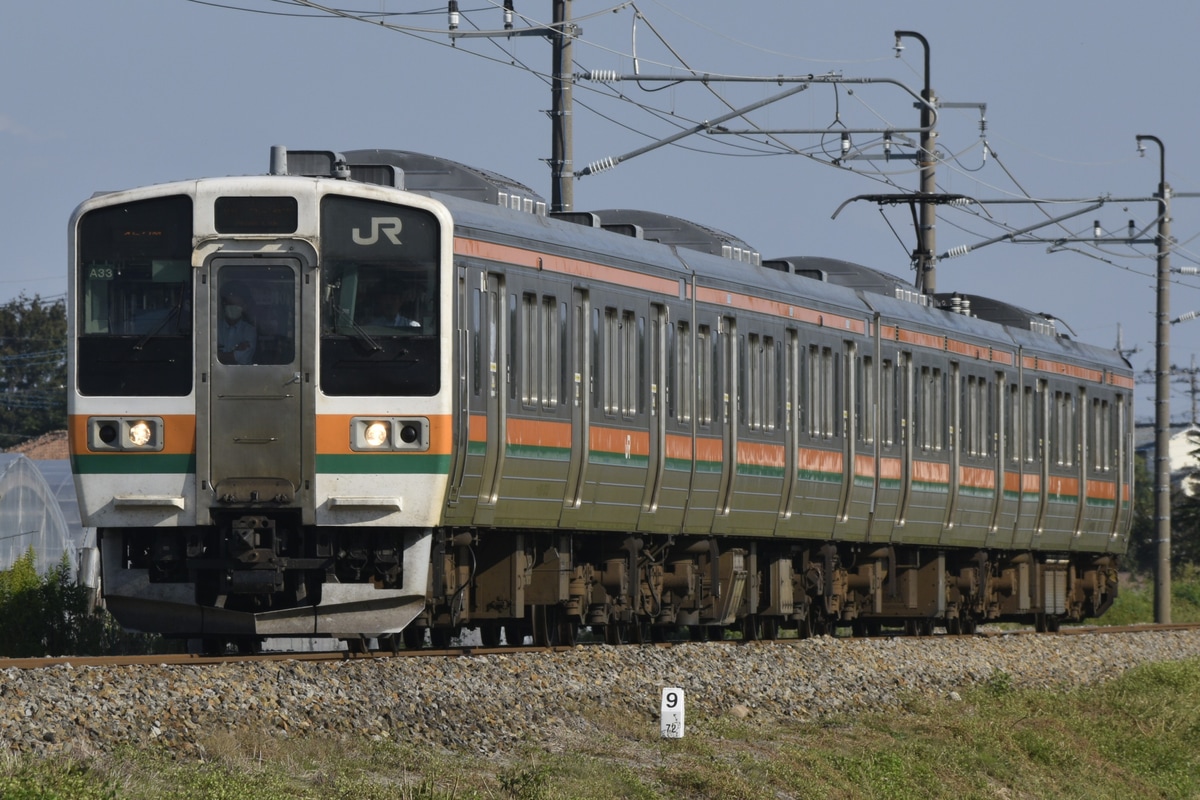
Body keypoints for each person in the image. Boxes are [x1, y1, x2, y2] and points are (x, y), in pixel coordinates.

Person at [217, 286, 257, 364]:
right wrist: (234, 352)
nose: (233, 308)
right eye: (230, 304)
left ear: (244, 307)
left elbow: (243, 358)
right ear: (224, 305)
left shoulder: (249, 331)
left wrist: (218, 354)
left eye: (237, 305)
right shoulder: (214, 328)